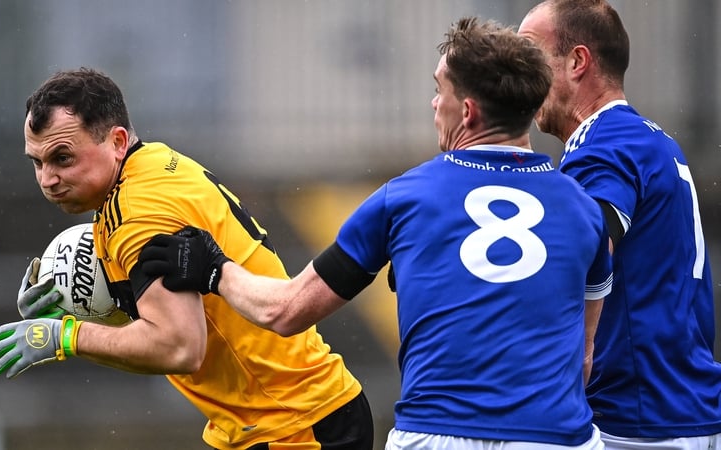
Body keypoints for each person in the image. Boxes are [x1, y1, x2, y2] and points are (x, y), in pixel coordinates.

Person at [137, 17, 613, 450]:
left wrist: (213, 269)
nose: (433, 103)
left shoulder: (404, 198)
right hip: (556, 438)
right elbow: (584, 361)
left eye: (439, 90)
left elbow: (285, 312)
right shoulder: (585, 210)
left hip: (438, 434)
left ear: (466, 112)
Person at [0, 67, 374, 450]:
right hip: (282, 418)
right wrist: (81, 307)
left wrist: (66, 337)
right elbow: (177, 314)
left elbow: (179, 347)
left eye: (62, 158)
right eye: (37, 161)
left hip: (294, 426)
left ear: (117, 141)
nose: (47, 178)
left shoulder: (137, 215)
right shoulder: (153, 164)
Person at [517, 1, 721, 448]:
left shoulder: (601, 146)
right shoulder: (653, 138)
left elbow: (587, 250)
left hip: (633, 417)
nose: (523, 78)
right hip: (686, 404)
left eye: (531, 55)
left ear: (577, 61)